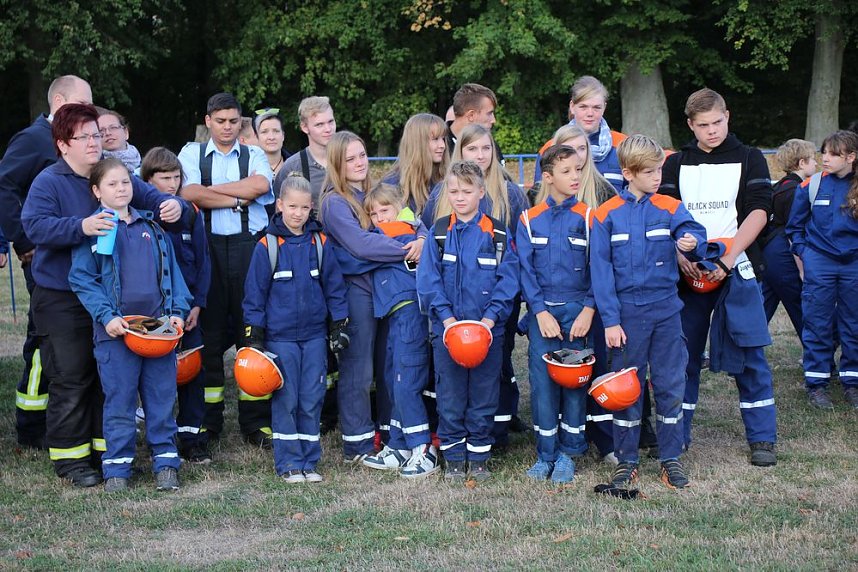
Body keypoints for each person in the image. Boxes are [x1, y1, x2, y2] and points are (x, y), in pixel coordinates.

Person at [21, 103, 188, 487]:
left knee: (107, 382)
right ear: (63, 145)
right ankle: (71, 458)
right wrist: (80, 225)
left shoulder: (118, 175)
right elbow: (33, 226)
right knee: (71, 375)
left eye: (97, 134)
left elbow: (156, 201)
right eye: (86, 137)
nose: (96, 141)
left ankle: (110, 453)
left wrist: (176, 207)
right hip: (62, 295)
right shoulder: (50, 181)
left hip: (116, 303)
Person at [658, 88, 778, 467]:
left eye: (718, 122)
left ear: (728, 116)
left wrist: (728, 258)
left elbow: (759, 211)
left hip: (736, 271)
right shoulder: (676, 163)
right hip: (688, 276)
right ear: (691, 125)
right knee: (683, 356)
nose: (712, 131)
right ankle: (677, 436)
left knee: (749, 353)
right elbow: (665, 214)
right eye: (703, 125)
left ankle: (762, 438)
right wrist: (679, 255)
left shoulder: (751, 158)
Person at [592, 135, 709, 489]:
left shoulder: (671, 207)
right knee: (628, 388)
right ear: (627, 173)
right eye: (649, 171)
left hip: (666, 311)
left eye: (659, 169)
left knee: (671, 383)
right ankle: (626, 458)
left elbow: (694, 232)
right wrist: (610, 321)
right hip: (626, 317)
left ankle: (670, 456)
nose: (657, 176)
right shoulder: (605, 215)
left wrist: (693, 241)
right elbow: (601, 274)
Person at [69, 158, 192, 492]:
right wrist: (106, 316)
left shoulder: (152, 228)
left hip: (157, 333)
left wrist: (178, 311)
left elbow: (174, 277)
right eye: (112, 184)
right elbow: (82, 279)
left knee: (161, 399)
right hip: (117, 334)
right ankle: (118, 468)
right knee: (120, 401)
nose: (121, 189)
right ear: (97, 191)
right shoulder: (98, 230)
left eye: (125, 182)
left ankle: (166, 463)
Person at [0, 74, 92, 450]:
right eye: (81, 101)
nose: (88, 111)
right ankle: (32, 425)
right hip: (47, 257)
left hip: (77, 259)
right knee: (44, 341)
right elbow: (4, 186)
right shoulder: (34, 139)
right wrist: (22, 240)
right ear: (58, 99)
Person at [178, 92, 274, 448]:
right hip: (209, 252)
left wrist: (209, 192)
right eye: (220, 121)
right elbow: (188, 193)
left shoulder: (254, 154)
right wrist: (237, 198)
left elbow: (261, 186)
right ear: (208, 121)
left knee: (253, 334)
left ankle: (256, 423)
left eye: (234, 121)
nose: (227, 128)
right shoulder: (191, 153)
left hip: (249, 251)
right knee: (210, 338)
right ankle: (208, 422)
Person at [318, 131, 422, 461]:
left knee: (388, 366)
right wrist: (405, 250)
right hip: (355, 292)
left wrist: (419, 237)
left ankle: (392, 436)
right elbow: (361, 246)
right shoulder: (335, 201)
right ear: (336, 163)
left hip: (384, 290)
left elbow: (406, 220)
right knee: (358, 370)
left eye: (362, 155)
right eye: (349, 158)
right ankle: (358, 444)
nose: (359, 162)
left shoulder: (374, 195)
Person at [417, 160, 519, 481]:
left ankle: (478, 457)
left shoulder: (498, 233)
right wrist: (446, 319)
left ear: (481, 192)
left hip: (487, 334)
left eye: (467, 191)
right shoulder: (438, 233)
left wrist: (489, 320)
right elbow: (428, 280)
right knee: (450, 396)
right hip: (448, 335)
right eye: (454, 191)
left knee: (484, 395)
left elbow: (508, 280)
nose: (460, 197)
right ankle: (454, 457)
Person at [242, 174, 348, 483]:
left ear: (311, 207)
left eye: (304, 208)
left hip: (315, 337)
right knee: (286, 399)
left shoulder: (320, 242)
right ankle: (288, 463)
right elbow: (254, 295)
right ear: (279, 205)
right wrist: (254, 335)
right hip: (280, 339)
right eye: (292, 207)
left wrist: (339, 323)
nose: (298, 213)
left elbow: (334, 288)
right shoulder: (266, 246)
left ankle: (309, 462)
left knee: (312, 396)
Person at [517, 145, 594, 483]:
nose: (575, 176)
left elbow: (600, 267)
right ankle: (545, 453)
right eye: (566, 171)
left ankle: (569, 452)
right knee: (543, 384)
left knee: (574, 383)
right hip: (543, 314)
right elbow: (524, 270)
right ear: (547, 178)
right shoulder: (529, 220)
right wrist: (539, 311)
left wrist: (589, 308)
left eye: (578, 169)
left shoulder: (589, 217)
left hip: (578, 313)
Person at [359, 184, 438, 478]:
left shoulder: (397, 229)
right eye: (373, 213)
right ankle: (398, 444)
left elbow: (357, 251)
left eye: (384, 209)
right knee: (395, 379)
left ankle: (422, 448)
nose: (380, 217)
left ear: (399, 207)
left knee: (406, 381)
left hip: (409, 313)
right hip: (394, 314)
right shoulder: (407, 229)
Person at [140, 147, 212, 462]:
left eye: (176, 177)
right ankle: (160, 438)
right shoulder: (139, 218)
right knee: (158, 378)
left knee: (193, 374)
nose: (171, 184)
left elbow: (203, 261)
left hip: (188, 313)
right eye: (164, 178)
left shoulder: (191, 213)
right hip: (153, 314)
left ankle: (192, 438)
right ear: (146, 182)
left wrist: (198, 305)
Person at [786, 130, 858, 410]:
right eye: (823, 152)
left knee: (853, 323)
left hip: (853, 265)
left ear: (850, 157)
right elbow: (794, 228)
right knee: (817, 322)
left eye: (832, 154)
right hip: (820, 264)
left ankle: (852, 383)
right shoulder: (811, 186)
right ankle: (817, 383)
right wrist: (808, 256)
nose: (824, 158)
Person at [758, 139, 817, 334]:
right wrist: (802, 268)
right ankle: (817, 354)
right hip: (784, 255)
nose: (816, 163)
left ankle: (742, 354)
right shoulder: (796, 191)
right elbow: (794, 230)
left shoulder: (780, 186)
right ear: (801, 163)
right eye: (812, 159)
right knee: (802, 307)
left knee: (761, 310)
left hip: (770, 254)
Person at [533, 76, 627, 191]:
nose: (590, 113)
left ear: (604, 108)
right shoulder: (551, 148)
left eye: (597, 107)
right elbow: (541, 196)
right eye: (583, 107)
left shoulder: (624, 146)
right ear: (572, 107)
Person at [273, 96, 337, 207]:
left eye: (331, 122)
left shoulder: (350, 159)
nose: (328, 129)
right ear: (304, 127)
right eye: (319, 124)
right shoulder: (293, 166)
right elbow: (279, 212)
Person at [382, 113, 449, 216]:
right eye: (435, 139)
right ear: (417, 142)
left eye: (443, 139)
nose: (442, 145)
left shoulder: (446, 178)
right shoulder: (391, 185)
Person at [446, 83, 505, 166]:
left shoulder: (490, 144)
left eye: (485, 148)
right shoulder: (438, 147)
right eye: (489, 113)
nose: (493, 120)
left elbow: (501, 177)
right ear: (471, 115)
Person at [253, 109, 291, 181]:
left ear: (283, 135)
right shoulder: (248, 166)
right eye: (264, 132)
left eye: (276, 131)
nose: (271, 137)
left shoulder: (297, 164)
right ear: (256, 137)